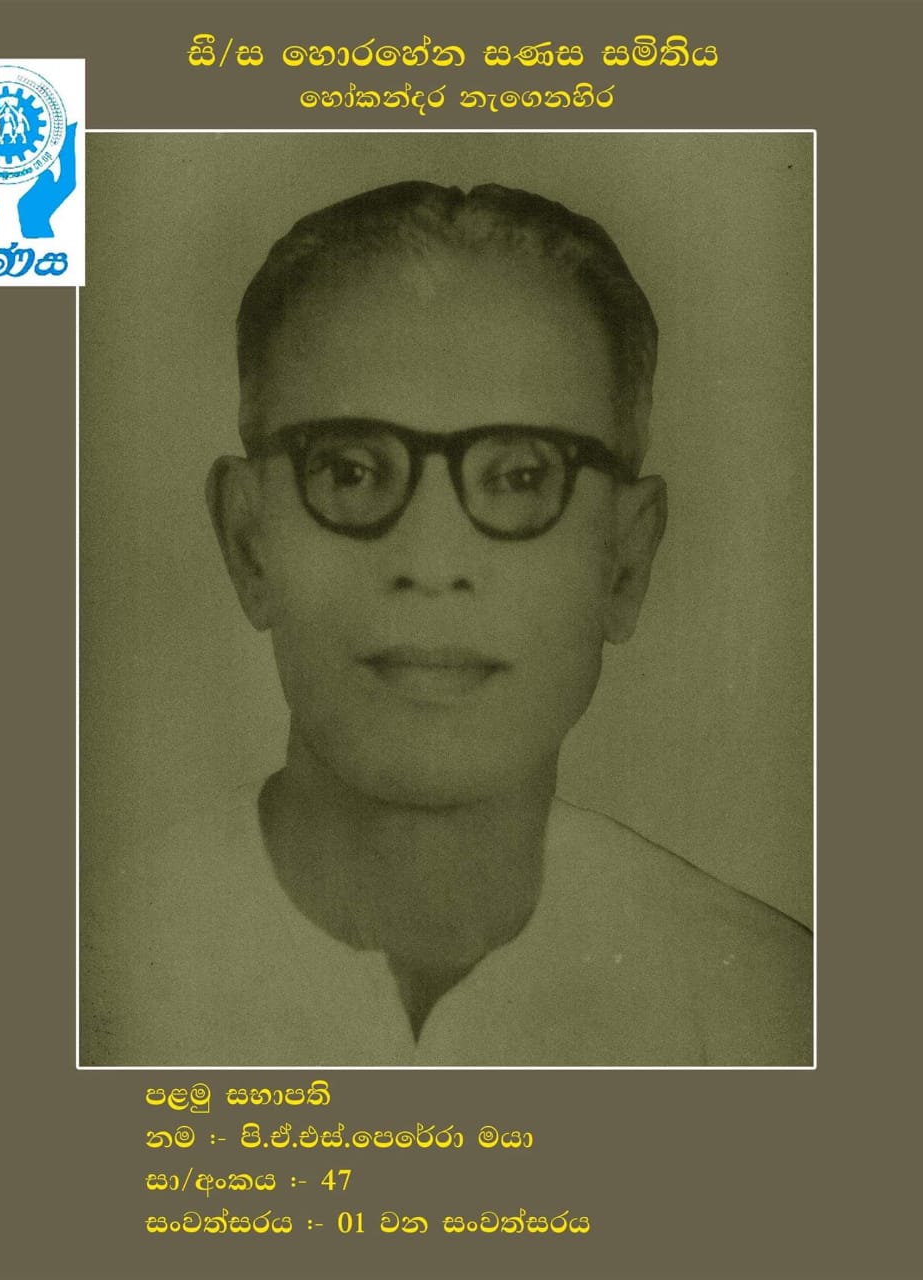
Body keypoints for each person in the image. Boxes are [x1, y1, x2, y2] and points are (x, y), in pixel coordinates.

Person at [83, 181, 811, 1067]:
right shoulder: (83, 975)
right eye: (350, 471)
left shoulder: (781, 1019)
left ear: (624, 562)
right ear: (248, 543)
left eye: (520, 477)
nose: (430, 563)